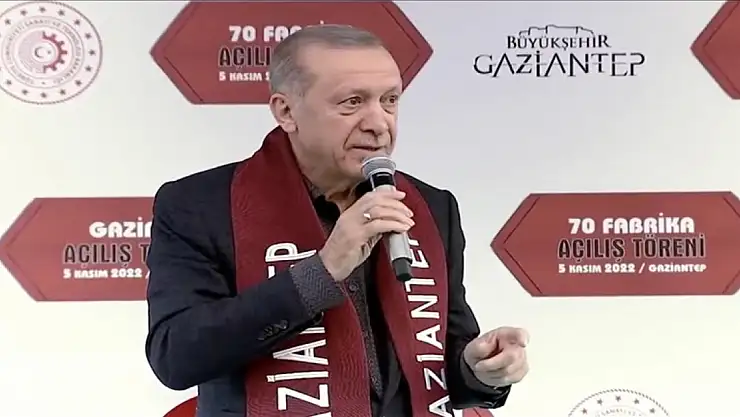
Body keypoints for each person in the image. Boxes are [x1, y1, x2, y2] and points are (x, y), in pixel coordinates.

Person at [144, 24, 529, 417]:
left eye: (390, 101)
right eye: (352, 102)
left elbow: (439, 364)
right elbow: (176, 357)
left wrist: (479, 371)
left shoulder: (433, 207)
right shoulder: (199, 206)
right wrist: (322, 272)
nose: (379, 123)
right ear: (286, 111)